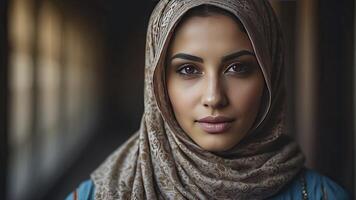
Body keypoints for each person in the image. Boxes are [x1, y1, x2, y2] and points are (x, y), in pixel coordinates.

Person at [66, 0, 350, 199]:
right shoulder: (99, 194)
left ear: (269, 76)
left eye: (238, 68)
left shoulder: (321, 196)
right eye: (188, 70)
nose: (214, 97)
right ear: (159, 86)